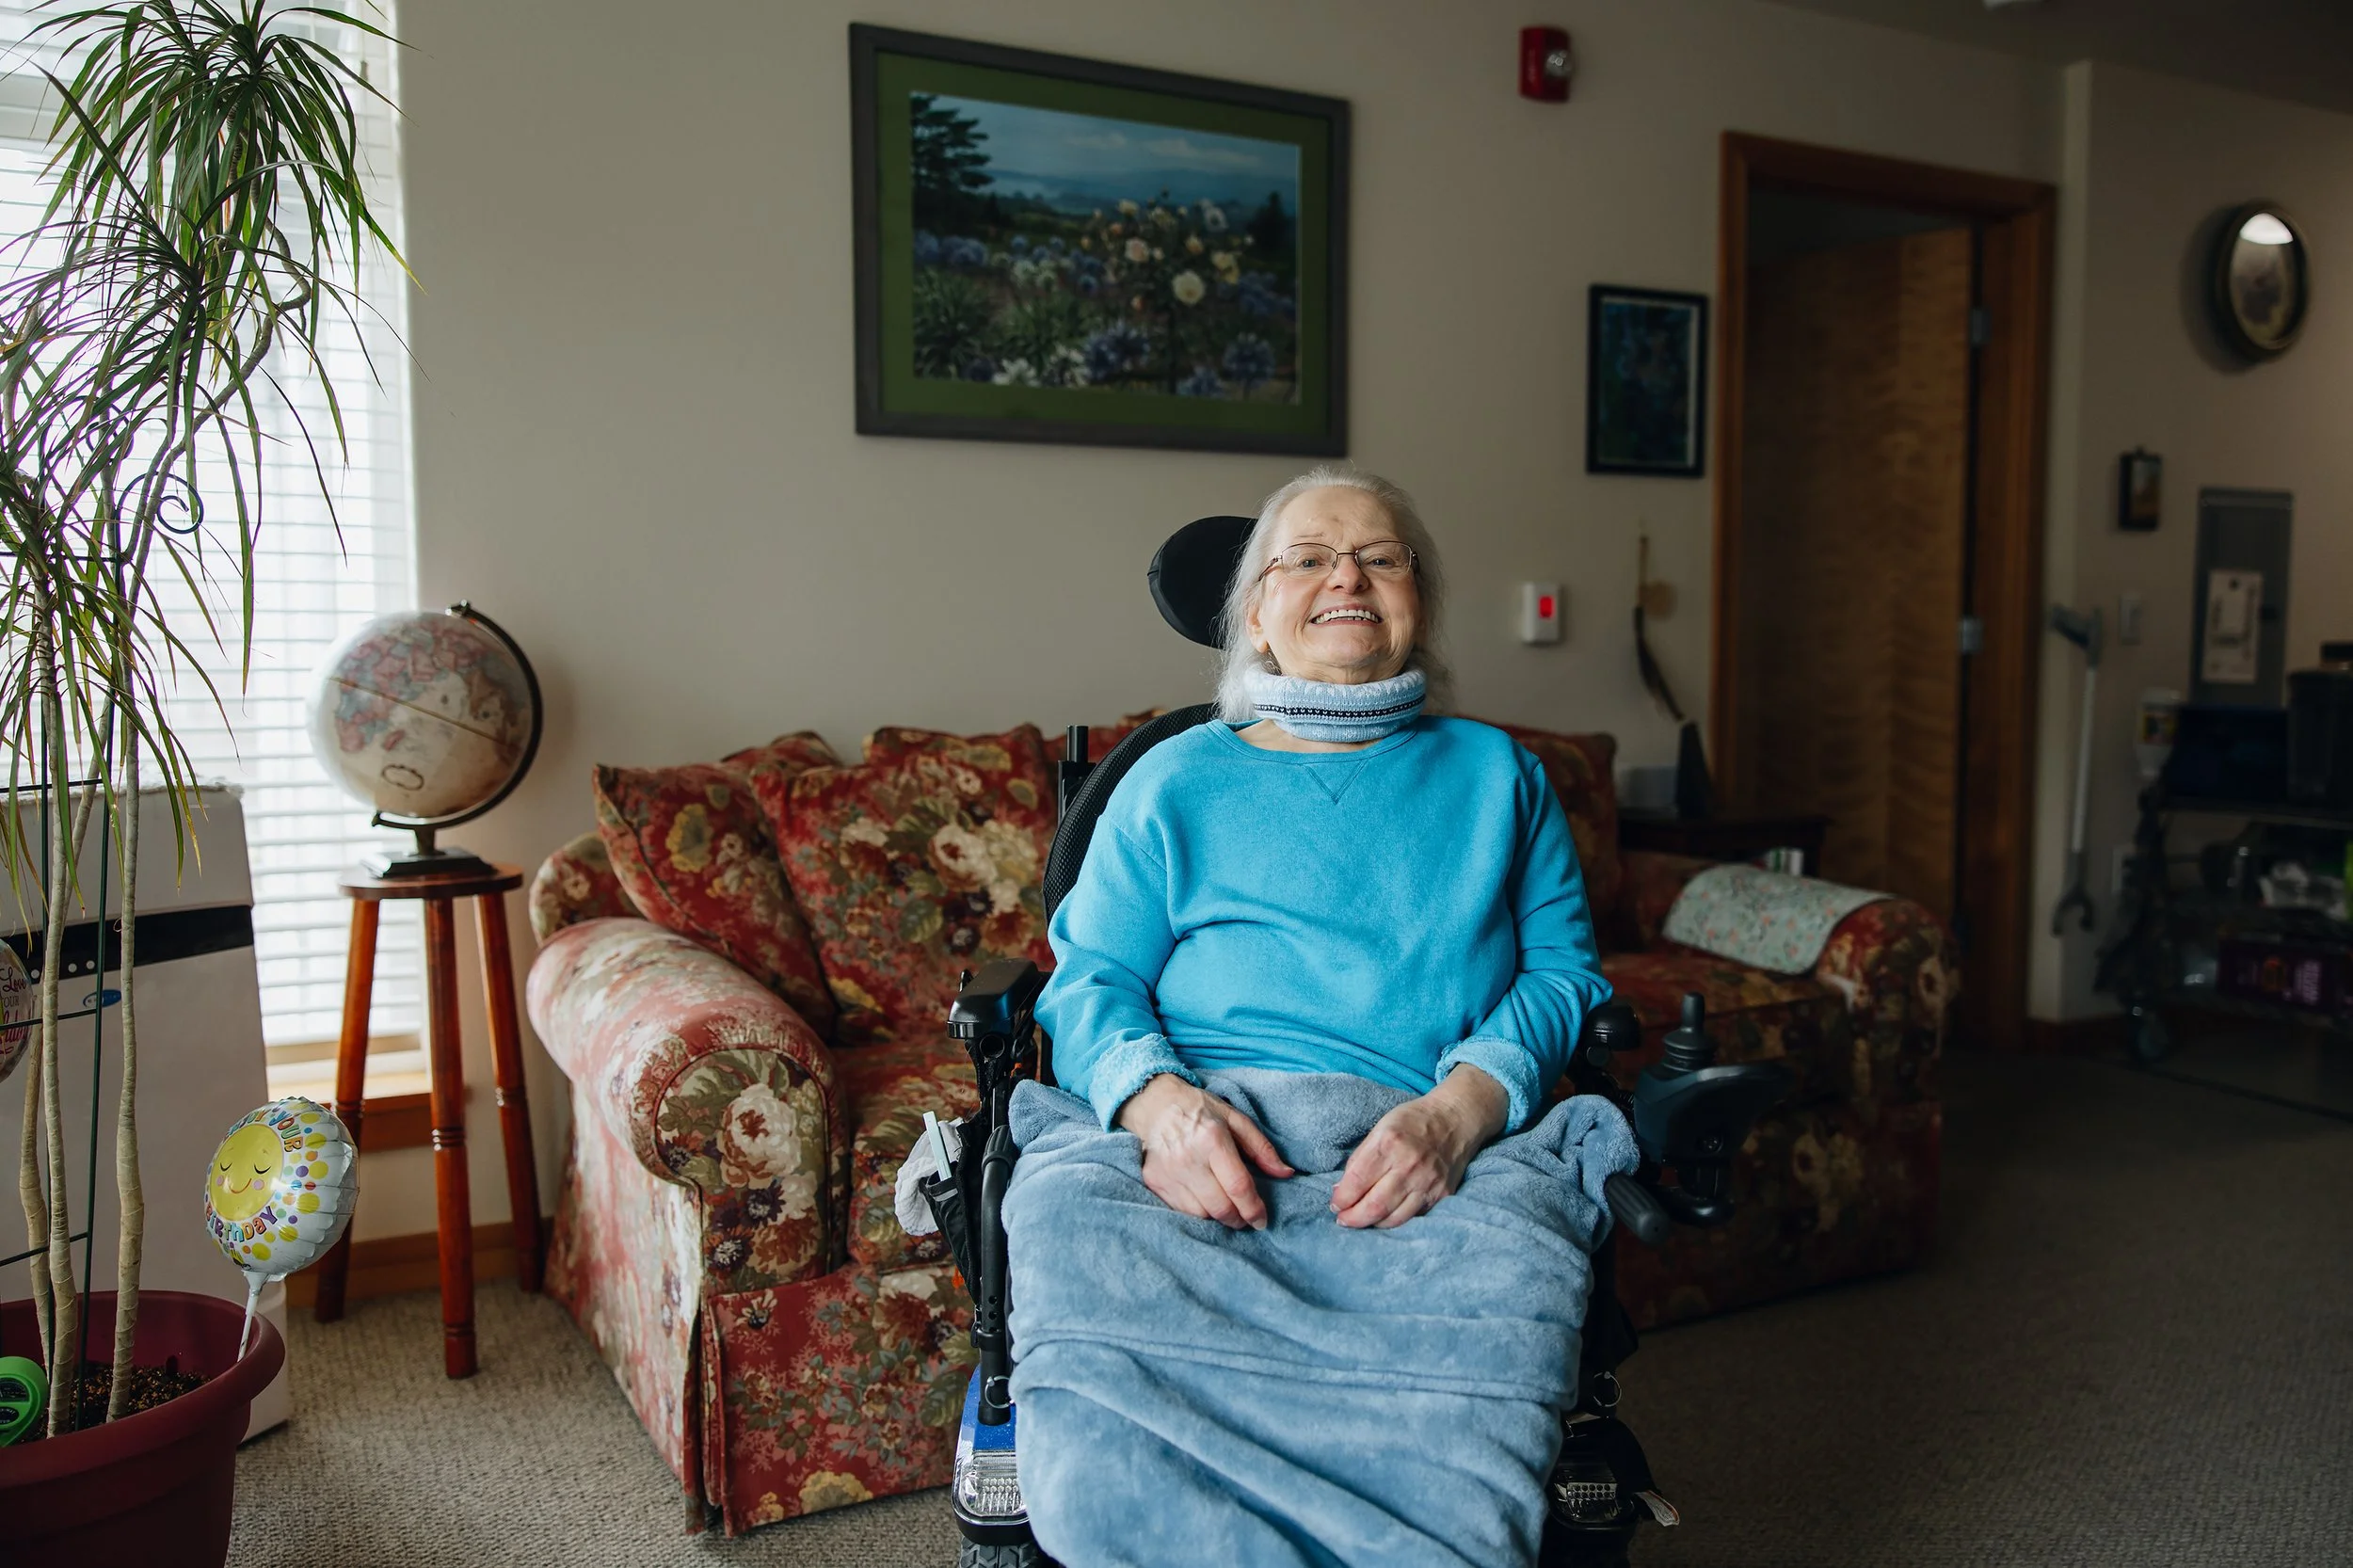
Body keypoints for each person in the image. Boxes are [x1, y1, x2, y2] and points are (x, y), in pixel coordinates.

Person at [1036, 463, 1612, 1232]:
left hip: (1432, 1132)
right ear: (1255, 618)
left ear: (1420, 608)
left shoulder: (1499, 774)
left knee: (1520, 1276)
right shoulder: (1172, 777)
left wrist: (1457, 1114)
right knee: (1066, 1229)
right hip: (1202, 1122)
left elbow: (1561, 975)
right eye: (1307, 559)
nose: (1347, 577)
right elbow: (1090, 980)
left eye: (1381, 558)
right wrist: (1162, 1109)